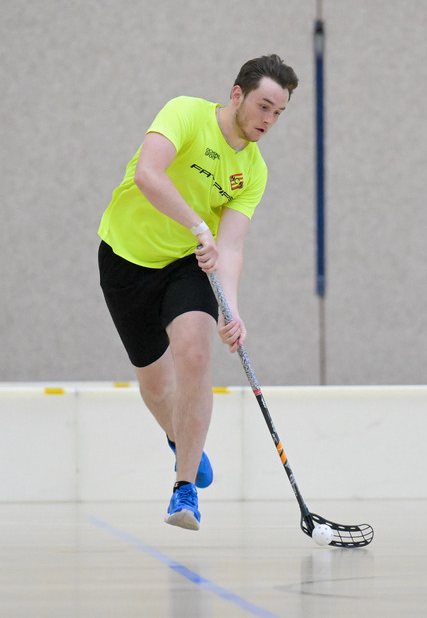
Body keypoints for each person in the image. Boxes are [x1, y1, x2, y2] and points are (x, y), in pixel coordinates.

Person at [97, 55, 298, 530]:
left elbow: (229, 246)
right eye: (263, 106)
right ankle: (179, 436)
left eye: (278, 113)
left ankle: (183, 490)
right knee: (155, 385)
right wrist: (194, 223)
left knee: (194, 353)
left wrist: (231, 309)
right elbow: (149, 175)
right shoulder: (185, 113)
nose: (268, 121)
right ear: (236, 94)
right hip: (125, 260)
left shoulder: (253, 172)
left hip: (190, 263)